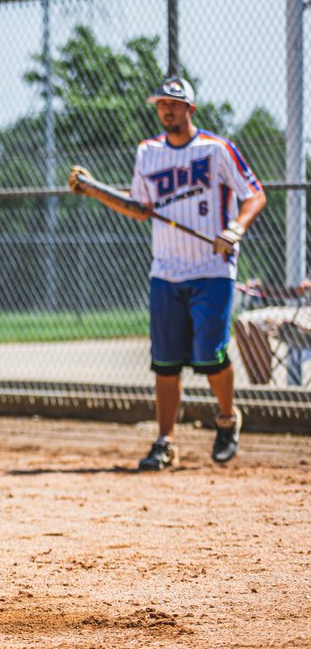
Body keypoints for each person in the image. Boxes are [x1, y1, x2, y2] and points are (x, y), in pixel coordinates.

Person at [69, 77, 267, 470]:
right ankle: (165, 442)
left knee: (209, 356)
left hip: (212, 269)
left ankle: (227, 418)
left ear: (191, 109)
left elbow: (254, 193)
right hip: (165, 271)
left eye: (175, 104)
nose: (167, 110)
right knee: (165, 362)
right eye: (161, 104)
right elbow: (142, 208)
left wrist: (235, 230)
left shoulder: (216, 149)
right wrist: (95, 190)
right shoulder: (148, 152)